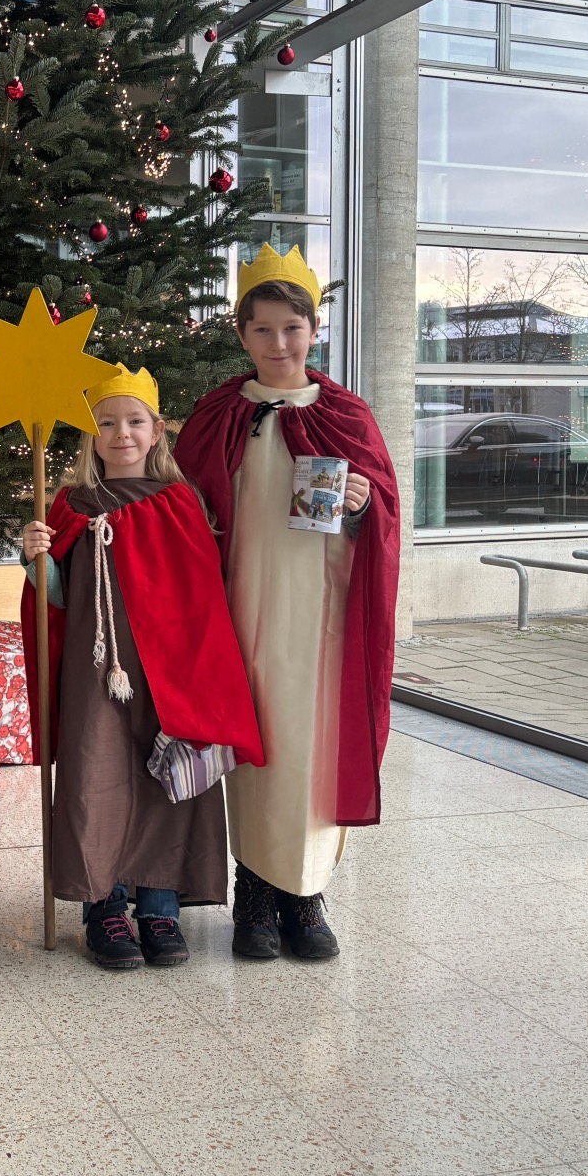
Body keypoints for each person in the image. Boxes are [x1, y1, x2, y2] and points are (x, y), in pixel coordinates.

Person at [173, 246, 400, 961]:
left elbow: (386, 514)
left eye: (292, 329)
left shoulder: (346, 416)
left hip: (322, 615)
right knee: (255, 744)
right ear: (242, 335)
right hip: (239, 609)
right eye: (263, 330)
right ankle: (256, 896)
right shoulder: (217, 416)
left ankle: (306, 894)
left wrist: (363, 505)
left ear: (314, 329)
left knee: (311, 746)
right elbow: (180, 511)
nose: (279, 344)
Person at [20, 366, 262, 970]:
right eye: (106, 423)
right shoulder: (72, 504)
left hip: (166, 674)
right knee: (95, 776)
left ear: (157, 432)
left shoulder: (180, 503)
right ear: (90, 434)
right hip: (95, 672)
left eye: (134, 422)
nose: (120, 433)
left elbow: (202, 598)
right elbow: (57, 597)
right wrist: (35, 560)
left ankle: (160, 904)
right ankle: (104, 905)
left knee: (164, 780)